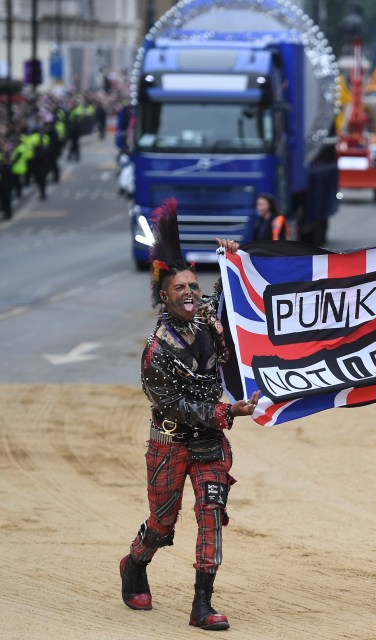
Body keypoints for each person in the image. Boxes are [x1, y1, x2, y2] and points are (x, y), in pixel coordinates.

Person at [118, 200, 260, 631]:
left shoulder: (206, 322)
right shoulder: (156, 350)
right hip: (169, 440)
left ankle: (202, 605)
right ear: (165, 295)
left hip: (210, 442)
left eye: (194, 287)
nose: (190, 294)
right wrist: (226, 410)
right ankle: (135, 563)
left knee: (211, 515)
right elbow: (175, 406)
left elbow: (230, 299)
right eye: (180, 288)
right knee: (162, 523)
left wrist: (231, 259)